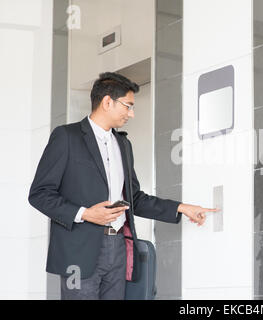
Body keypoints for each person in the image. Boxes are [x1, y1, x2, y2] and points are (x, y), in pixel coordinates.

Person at [28, 72, 216, 300]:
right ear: (107, 102)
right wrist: (85, 214)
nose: (131, 113)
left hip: (117, 248)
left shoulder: (123, 144)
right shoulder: (66, 137)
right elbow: (39, 193)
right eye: (128, 106)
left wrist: (182, 208)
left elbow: (134, 199)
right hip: (78, 251)